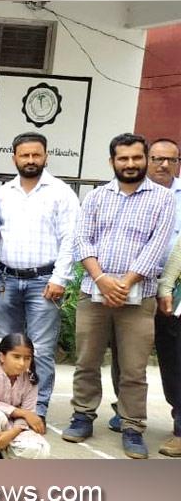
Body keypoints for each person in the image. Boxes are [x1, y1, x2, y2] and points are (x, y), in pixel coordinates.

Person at [65, 133, 175, 458]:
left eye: (136, 158)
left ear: (145, 159)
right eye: (123, 158)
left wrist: (124, 283)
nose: (130, 164)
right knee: (86, 361)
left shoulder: (163, 198)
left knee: (133, 369)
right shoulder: (97, 197)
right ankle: (82, 415)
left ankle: (132, 427)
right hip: (93, 294)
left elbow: (156, 247)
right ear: (112, 161)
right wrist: (101, 279)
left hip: (139, 297)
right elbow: (82, 241)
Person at [0, 132, 79, 418]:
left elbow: (70, 239)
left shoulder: (61, 192)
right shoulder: (1, 194)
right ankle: (2, 406)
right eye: (25, 155)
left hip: (44, 282)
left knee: (42, 350)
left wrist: (60, 278)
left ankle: (38, 409)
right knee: (5, 344)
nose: (31, 160)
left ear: (46, 156)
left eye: (36, 155)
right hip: (6, 280)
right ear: (14, 158)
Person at [0, 333, 51, 459]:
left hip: (14, 426)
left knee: (39, 449)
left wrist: (12, 433)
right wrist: (23, 413)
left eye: (27, 358)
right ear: (2, 356)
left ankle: (2, 453)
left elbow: (28, 414)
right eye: (16, 357)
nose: (22, 363)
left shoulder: (31, 379)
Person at [151, 138, 181, 457]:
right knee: (133, 357)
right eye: (157, 158)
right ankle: (127, 412)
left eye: (170, 160)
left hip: (174, 294)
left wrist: (169, 286)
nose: (163, 165)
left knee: (177, 358)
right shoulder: (138, 193)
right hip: (145, 287)